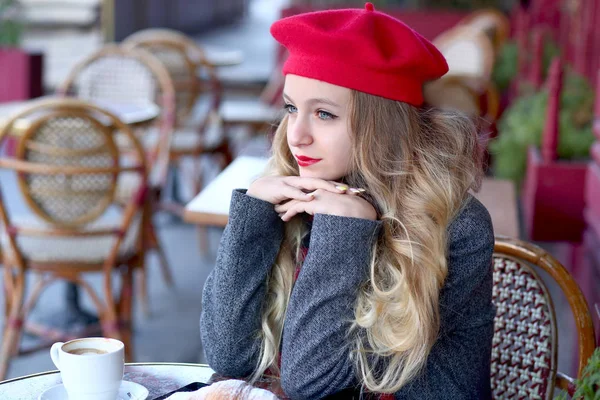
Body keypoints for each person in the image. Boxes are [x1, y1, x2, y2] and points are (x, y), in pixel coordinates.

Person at [200, 3, 495, 399]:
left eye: (323, 114)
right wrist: (253, 217)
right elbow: (228, 355)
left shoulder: (456, 225)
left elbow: (309, 381)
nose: (296, 135)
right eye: (291, 108)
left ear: (383, 128)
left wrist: (346, 233)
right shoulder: (302, 195)